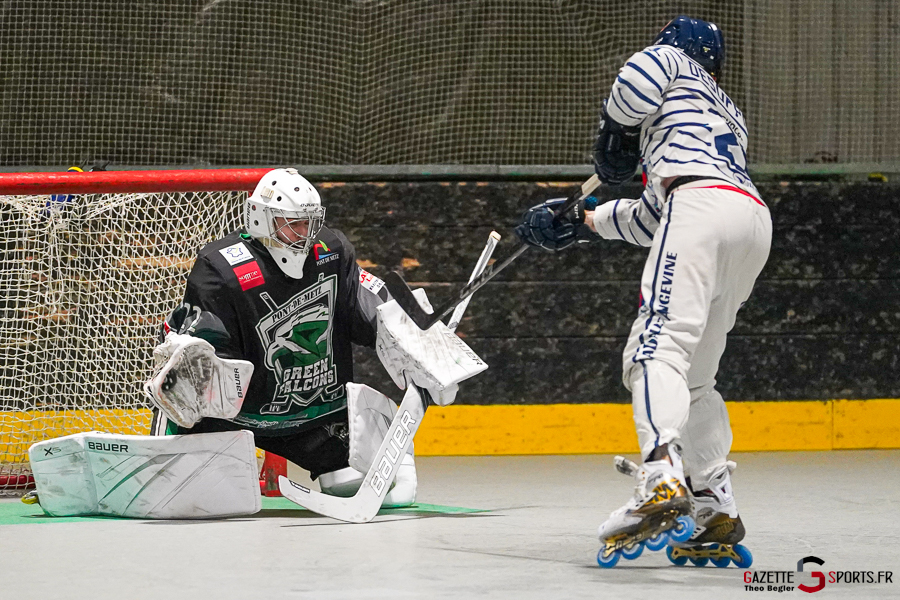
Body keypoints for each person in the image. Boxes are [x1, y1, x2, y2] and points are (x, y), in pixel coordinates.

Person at [515, 16, 770, 567]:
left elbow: (637, 77)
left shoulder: (673, 63)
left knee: (655, 350)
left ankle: (659, 474)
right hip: (747, 220)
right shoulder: (724, 111)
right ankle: (712, 501)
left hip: (700, 207)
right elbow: (654, 216)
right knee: (696, 375)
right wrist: (583, 220)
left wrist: (615, 131)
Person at [146, 168, 467, 509]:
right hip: (233, 419)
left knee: (387, 489)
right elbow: (200, 348)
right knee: (195, 500)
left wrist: (427, 351)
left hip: (314, 417)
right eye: (293, 223)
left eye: (310, 223)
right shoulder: (220, 269)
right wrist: (188, 366)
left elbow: (375, 309)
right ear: (262, 220)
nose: (305, 234)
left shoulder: (331, 251)